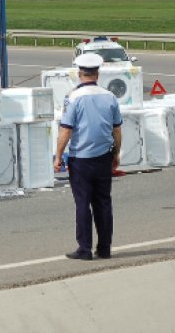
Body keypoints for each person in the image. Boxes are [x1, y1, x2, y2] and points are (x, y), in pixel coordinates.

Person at [54, 53, 123, 260]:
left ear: (79, 73)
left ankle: (84, 248)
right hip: (103, 156)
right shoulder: (109, 97)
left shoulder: (73, 98)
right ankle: (105, 248)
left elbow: (66, 130)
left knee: (83, 204)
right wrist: (116, 154)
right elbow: (117, 130)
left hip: (81, 158)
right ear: (97, 74)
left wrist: (58, 156)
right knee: (103, 203)